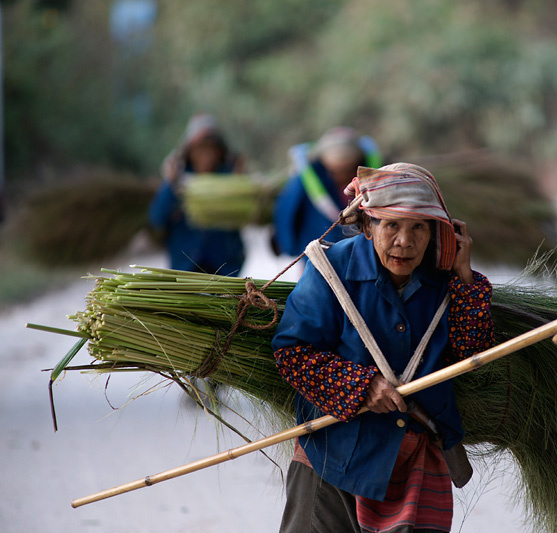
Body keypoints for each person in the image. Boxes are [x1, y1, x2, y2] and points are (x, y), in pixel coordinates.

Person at [272, 163, 495, 533]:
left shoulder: (449, 282)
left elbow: (473, 355)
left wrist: (465, 276)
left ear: (439, 234)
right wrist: (362, 386)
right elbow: (292, 353)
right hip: (332, 457)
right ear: (366, 226)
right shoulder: (331, 270)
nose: (404, 242)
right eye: (391, 225)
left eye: (418, 228)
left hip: (414, 460)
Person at [148, 113, 246, 276]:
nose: (206, 155)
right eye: (200, 148)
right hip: (185, 269)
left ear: (220, 151)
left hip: (225, 269)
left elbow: (245, 217)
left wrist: (239, 184)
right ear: (189, 151)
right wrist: (170, 185)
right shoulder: (177, 181)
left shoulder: (231, 179)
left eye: (211, 148)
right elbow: (156, 218)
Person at [271, 127, 382, 258]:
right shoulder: (306, 181)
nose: (341, 177)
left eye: (348, 171)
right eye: (335, 171)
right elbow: (287, 213)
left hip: (362, 255)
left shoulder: (374, 178)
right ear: (324, 165)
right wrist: (289, 246)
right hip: (317, 256)